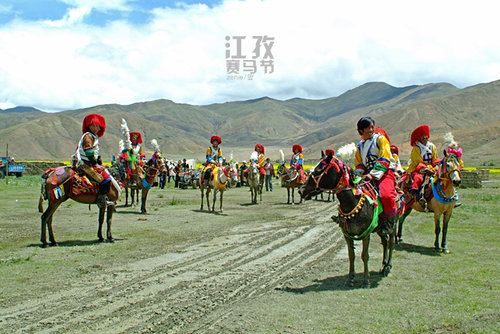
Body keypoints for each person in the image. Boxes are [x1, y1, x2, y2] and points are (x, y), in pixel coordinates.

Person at [354, 117, 397, 233]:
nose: (372, 130)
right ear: (362, 130)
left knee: (386, 195)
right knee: (352, 192)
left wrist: (373, 175)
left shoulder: (381, 139)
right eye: (368, 128)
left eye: (372, 127)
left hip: (385, 172)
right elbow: (359, 163)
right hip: (368, 174)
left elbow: (384, 157)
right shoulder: (360, 145)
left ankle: (389, 222)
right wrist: (358, 174)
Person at [74, 113, 111, 208]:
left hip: (90, 162)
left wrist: (100, 162)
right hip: (85, 163)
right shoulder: (88, 136)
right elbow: (89, 152)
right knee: (106, 179)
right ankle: (101, 199)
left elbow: (95, 152)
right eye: (93, 126)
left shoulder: (93, 137)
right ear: (89, 126)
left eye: (97, 126)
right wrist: (96, 165)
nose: (95, 128)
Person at [406, 125, 440, 209]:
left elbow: (435, 157)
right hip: (419, 168)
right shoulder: (416, 148)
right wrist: (426, 169)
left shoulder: (432, 146)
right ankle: (419, 196)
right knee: (419, 178)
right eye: (422, 136)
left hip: (431, 167)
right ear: (419, 137)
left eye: (426, 135)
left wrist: (436, 165)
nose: (425, 137)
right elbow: (416, 161)